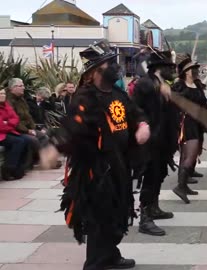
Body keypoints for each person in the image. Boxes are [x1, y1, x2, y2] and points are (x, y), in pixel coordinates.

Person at [39, 40, 149, 270]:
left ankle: (111, 255)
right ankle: (96, 264)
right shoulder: (85, 97)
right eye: (111, 63)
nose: (116, 67)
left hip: (119, 163)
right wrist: (54, 147)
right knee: (100, 218)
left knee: (118, 212)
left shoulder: (118, 93)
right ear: (96, 70)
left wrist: (141, 124)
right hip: (96, 170)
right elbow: (72, 127)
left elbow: (134, 112)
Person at [132, 48, 178, 235]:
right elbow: (134, 108)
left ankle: (154, 207)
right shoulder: (145, 83)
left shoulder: (163, 83)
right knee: (150, 177)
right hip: (151, 140)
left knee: (159, 174)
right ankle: (145, 218)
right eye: (169, 67)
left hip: (163, 139)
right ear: (159, 67)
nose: (172, 70)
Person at [172, 55, 207, 204]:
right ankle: (180, 186)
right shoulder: (180, 85)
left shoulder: (197, 84)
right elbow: (174, 101)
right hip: (186, 123)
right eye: (193, 69)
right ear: (186, 71)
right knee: (190, 155)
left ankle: (184, 184)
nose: (196, 71)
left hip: (197, 122)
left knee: (190, 154)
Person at [7, 78, 50, 170]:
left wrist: (34, 128)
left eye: (23, 85)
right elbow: (14, 120)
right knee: (32, 140)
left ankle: (40, 160)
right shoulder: (9, 101)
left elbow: (28, 116)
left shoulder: (21, 100)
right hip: (16, 130)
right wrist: (28, 131)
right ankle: (37, 162)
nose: (23, 87)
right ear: (13, 88)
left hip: (26, 128)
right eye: (21, 86)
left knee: (43, 136)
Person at [0, 88, 27, 180]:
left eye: (3, 94)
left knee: (24, 140)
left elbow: (15, 118)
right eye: (0, 94)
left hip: (8, 132)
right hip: (1, 134)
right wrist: (8, 123)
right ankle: (9, 169)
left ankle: (18, 169)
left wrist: (7, 122)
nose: (3, 96)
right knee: (18, 142)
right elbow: (1, 126)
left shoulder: (6, 105)